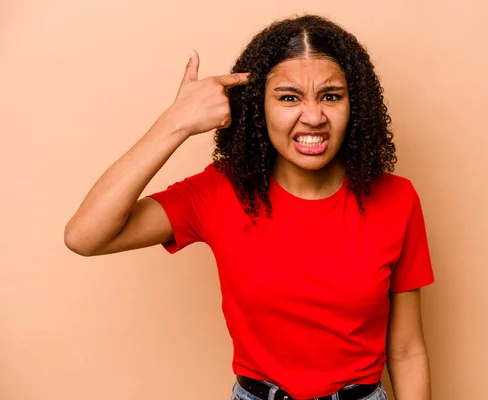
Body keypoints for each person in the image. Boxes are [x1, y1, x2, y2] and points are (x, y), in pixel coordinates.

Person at [64, 14, 434, 400]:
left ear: (355, 104)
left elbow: (407, 351)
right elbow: (84, 236)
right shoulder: (220, 191)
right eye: (289, 97)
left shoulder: (397, 198)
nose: (313, 116)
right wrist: (175, 122)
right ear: (258, 107)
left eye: (331, 96)